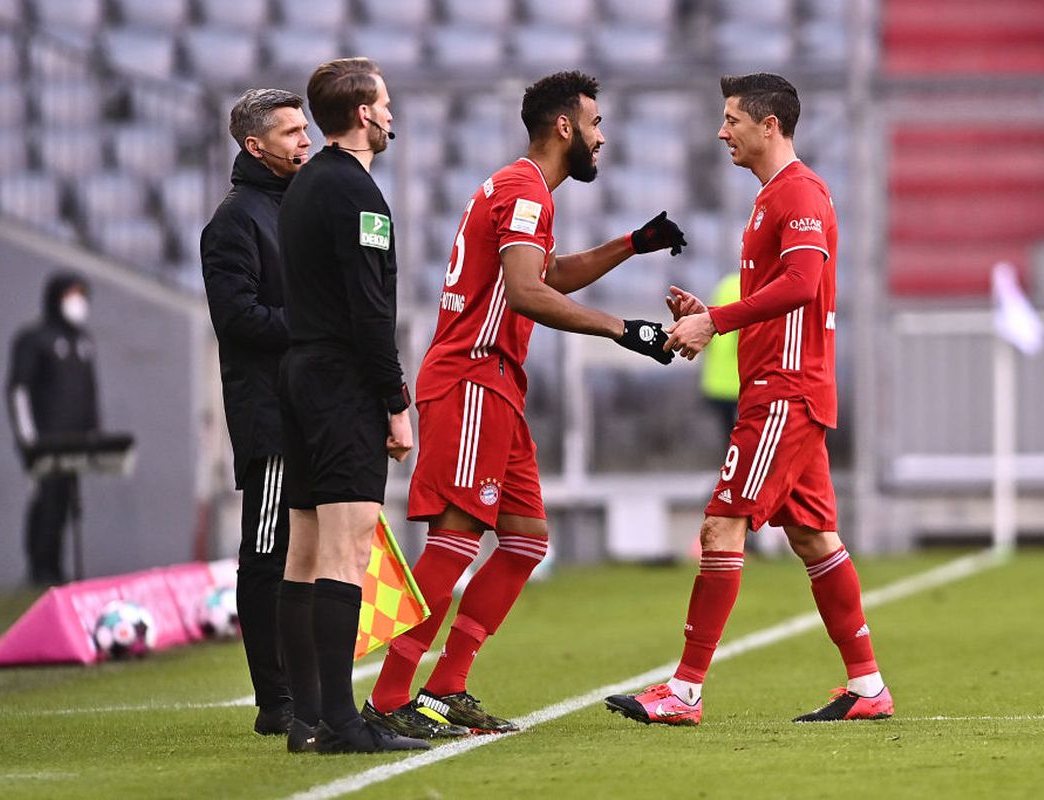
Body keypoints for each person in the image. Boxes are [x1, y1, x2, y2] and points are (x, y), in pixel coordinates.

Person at [365, 70, 687, 739]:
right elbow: (525, 292)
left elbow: (546, 273)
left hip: (498, 386)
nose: (602, 139)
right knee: (455, 541)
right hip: (472, 378)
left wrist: (630, 245)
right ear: (564, 127)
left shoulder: (525, 192)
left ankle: (446, 689)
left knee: (525, 540)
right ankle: (391, 697)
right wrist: (625, 329)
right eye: (595, 125)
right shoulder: (523, 189)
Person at [605, 73, 894, 726]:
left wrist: (718, 321)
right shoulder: (772, 198)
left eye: (732, 119)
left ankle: (683, 692)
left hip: (784, 394)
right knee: (815, 539)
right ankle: (868, 684)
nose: (721, 130)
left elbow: (802, 282)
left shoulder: (800, 194)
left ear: (770, 125)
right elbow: (785, 295)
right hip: (781, 390)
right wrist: (711, 313)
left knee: (719, 528)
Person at [274, 57, 427, 755]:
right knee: (347, 546)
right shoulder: (358, 195)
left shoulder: (305, 184)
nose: (392, 115)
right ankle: (341, 721)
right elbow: (370, 311)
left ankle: (305, 718)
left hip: (300, 374)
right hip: (340, 384)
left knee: (303, 551)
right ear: (364, 114)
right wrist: (395, 400)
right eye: (386, 105)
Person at [201, 88, 311, 738]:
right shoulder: (234, 220)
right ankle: (276, 701)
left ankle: (306, 685)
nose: (306, 140)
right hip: (271, 415)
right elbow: (237, 318)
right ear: (254, 144)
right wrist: (316, 328)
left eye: (305, 129)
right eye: (292, 131)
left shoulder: (294, 207)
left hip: (312, 409)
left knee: (308, 550)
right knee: (267, 553)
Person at [6, 272, 100, 586]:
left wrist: (93, 434)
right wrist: (28, 440)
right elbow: (18, 391)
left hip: (75, 445)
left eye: (82, 295)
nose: (78, 303)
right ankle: (40, 569)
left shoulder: (84, 342)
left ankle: (58, 572)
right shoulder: (34, 340)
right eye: (71, 295)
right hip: (44, 443)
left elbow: (90, 393)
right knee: (44, 503)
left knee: (65, 505)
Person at [700, 272, 741, 439]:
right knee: (747, 435)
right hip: (743, 381)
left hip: (716, 381)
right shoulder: (756, 289)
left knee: (728, 433)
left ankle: (731, 462)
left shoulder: (724, 285)